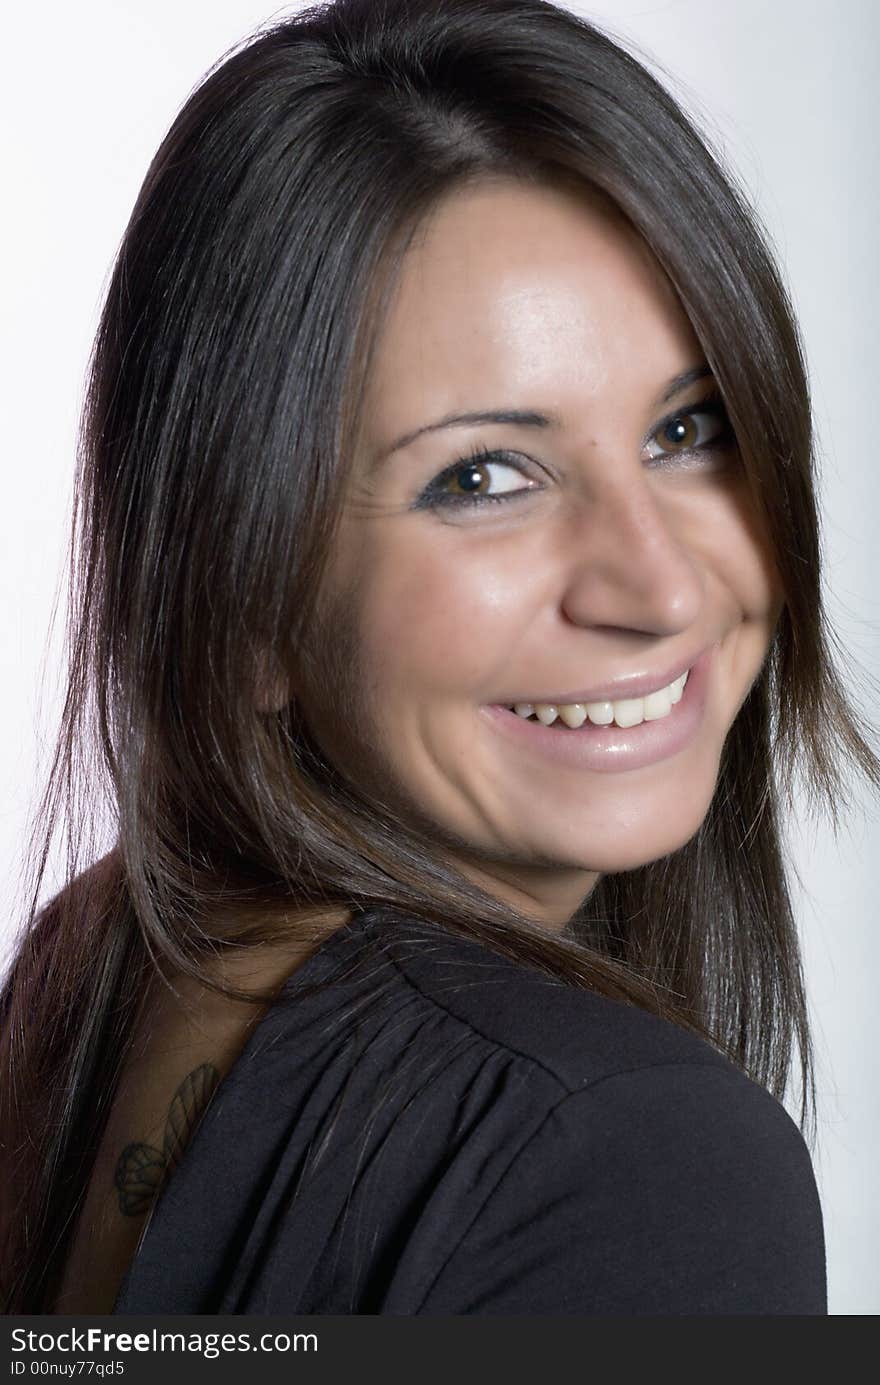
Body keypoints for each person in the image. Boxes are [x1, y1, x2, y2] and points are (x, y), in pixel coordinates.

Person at [1, 0, 877, 1316]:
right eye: (484, 474)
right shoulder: (633, 1155)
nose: (662, 582)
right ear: (242, 600)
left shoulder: (90, 966)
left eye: (689, 428)